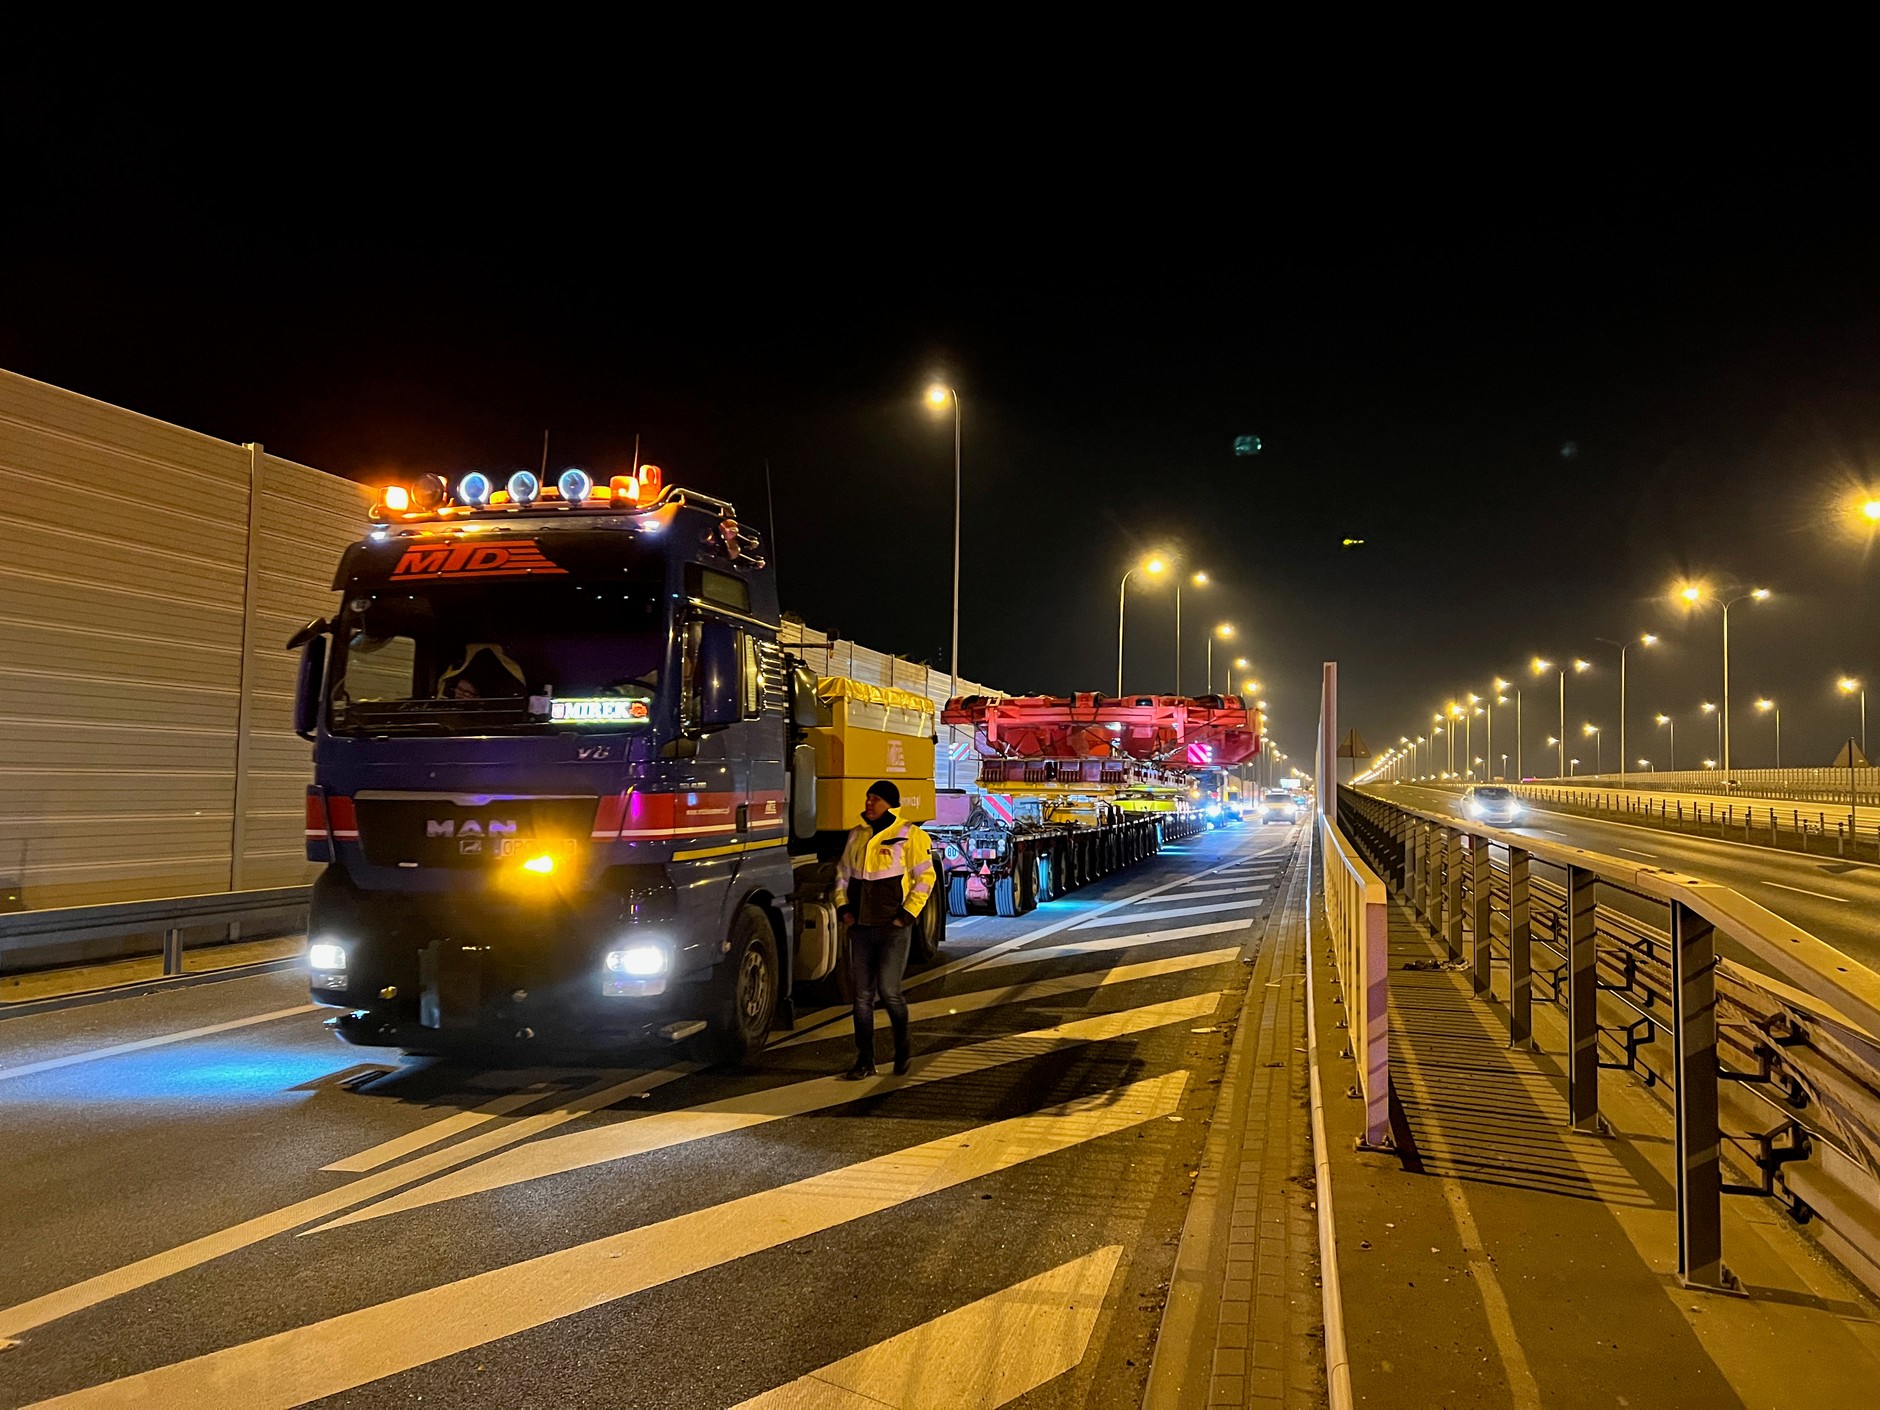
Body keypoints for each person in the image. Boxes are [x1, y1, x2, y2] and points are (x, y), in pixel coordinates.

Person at [832, 779, 936, 1079]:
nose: (868, 803)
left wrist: (906, 916)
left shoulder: (910, 835)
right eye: (867, 798)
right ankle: (865, 1061)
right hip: (861, 929)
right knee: (861, 998)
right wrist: (843, 908)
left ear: (889, 803)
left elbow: (925, 879)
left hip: (892, 929)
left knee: (889, 992)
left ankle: (903, 1052)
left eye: (875, 799)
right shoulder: (856, 835)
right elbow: (842, 876)